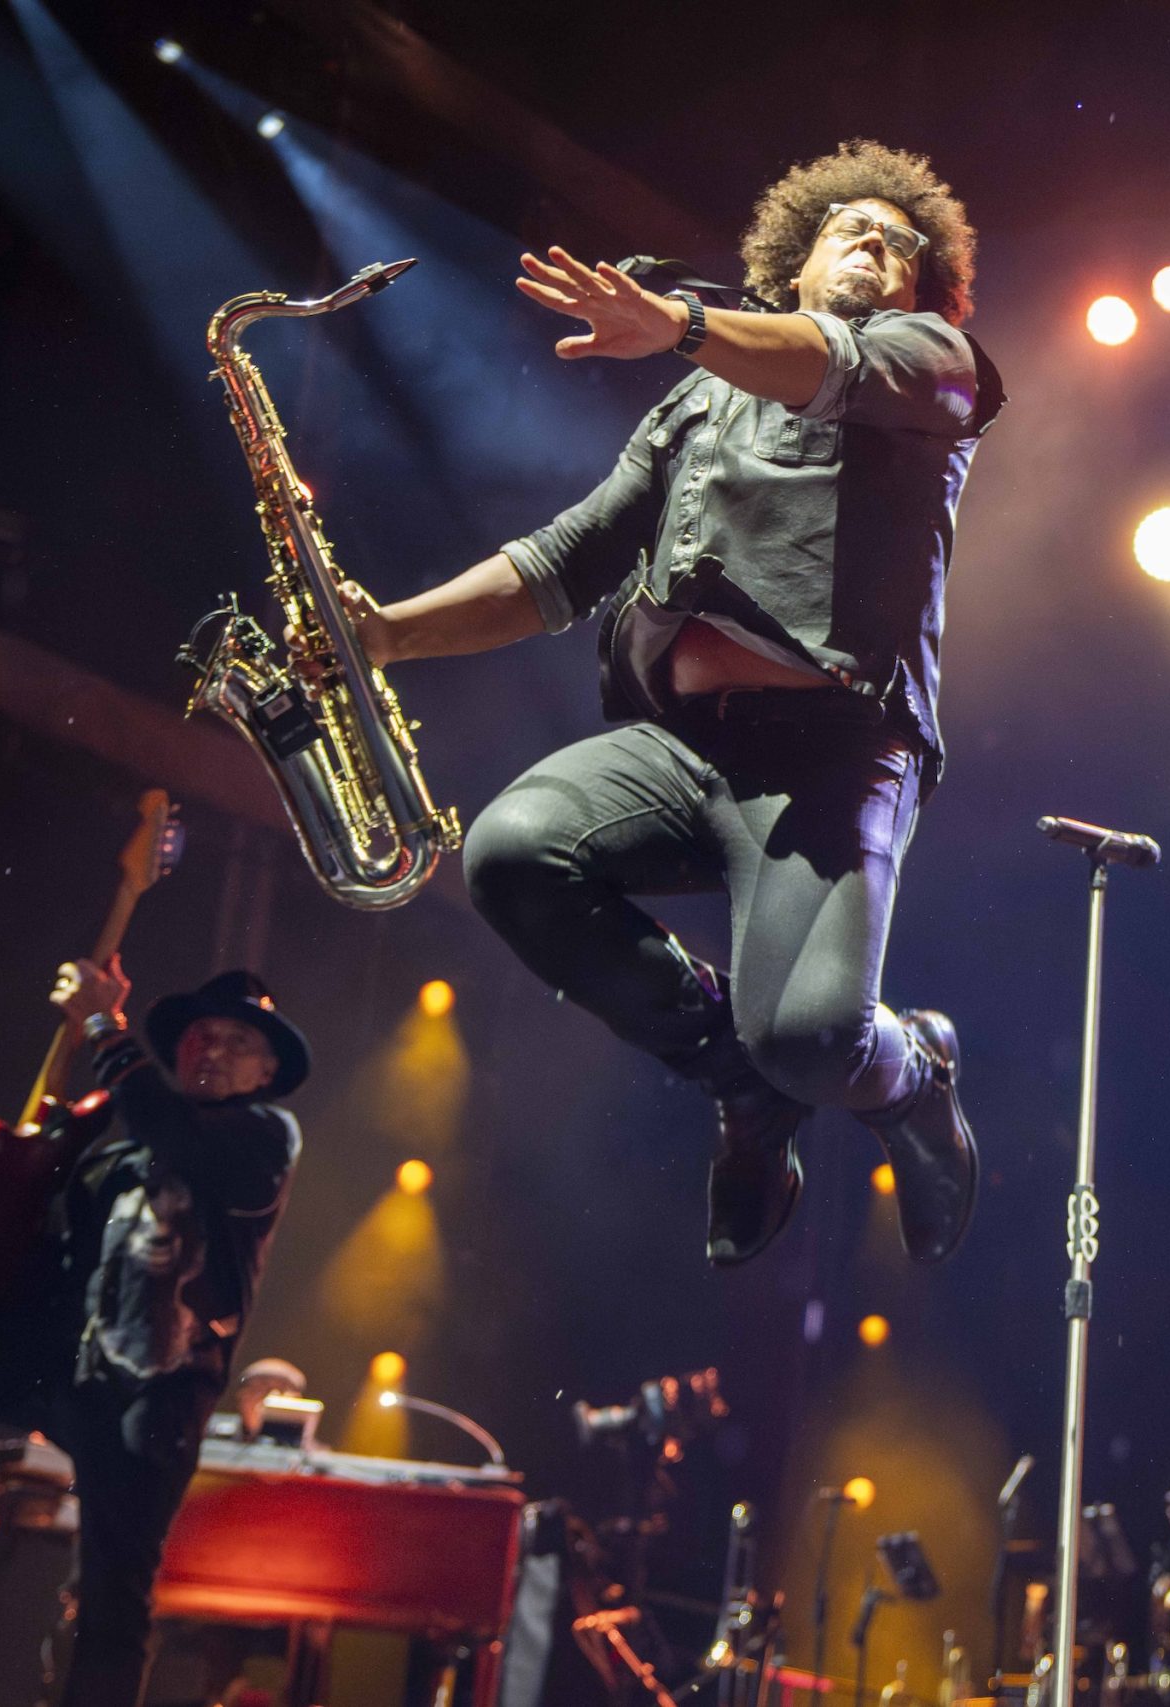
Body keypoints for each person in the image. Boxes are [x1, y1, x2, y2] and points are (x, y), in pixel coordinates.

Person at [335, 141, 1001, 1268]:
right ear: (790, 265)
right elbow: (566, 559)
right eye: (848, 226)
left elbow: (830, 365)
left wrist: (682, 324)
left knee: (811, 1041)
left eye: (900, 243)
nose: (875, 242)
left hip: (833, 758)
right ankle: (734, 1078)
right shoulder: (700, 397)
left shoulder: (934, 363)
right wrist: (389, 634)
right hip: (681, 748)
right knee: (512, 851)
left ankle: (912, 1073)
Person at [0, 961, 307, 1707]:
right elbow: (43, 1257)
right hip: (61, 1371)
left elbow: (177, 1136)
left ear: (267, 1070)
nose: (213, 1050)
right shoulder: (119, 1152)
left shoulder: (264, 1140)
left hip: (153, 1402)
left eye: (238, 1042)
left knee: (113, 1603)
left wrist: (104, 1029)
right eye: (202, 1036)